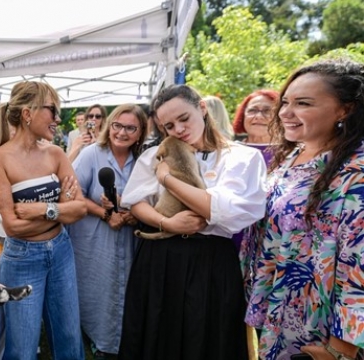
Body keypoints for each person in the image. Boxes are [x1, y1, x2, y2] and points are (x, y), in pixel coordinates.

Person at [118, 84, 267, 360]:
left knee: (208, 336)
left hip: (211, 261)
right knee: (158, 335)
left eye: (184, 119)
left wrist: (166, 179)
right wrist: (167, 223)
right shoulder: (156, 154)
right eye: (169, 126)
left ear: (201, 108)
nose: (178, 130)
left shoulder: (242, 157)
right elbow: (136, 201)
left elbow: (219, 210)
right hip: (160, 258)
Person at [246, 58, 364, 360]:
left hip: (319, 332)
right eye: (285, 101)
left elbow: (359, 267)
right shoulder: (293, 154)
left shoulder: (356, 173)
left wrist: (341, 349)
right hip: (276, 314)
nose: (286, 112)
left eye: (303, 103)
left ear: (344, 109)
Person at [0, 81, 87, 360]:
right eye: (52, 110)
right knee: (23, 348)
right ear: (27, 114)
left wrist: (42, 209)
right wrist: (61, 210)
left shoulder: (55, 153)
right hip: (22, 258)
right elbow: (13, 227)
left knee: (68, 338)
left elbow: (79, 209)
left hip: (62, 250)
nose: (57, 119)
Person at [67, 104, 147, 358]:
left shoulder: (144, 160)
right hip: (95, 240)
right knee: (98, 290)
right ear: (109, 125)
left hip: (130, 239)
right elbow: (72, 194)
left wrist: (134, 214)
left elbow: (151, 198)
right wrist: (105, 214)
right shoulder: (92, 154)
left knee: (126, 290)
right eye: (117, 125)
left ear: (140, 132)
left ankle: (125, 342)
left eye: (130, 128)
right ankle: (100, 343)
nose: (122, 133)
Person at [232, 89, 279, 166]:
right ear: (243, 116)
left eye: (267, 111)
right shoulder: (228, 152)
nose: (258, 116)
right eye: (252, 110)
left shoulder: (293, 154)